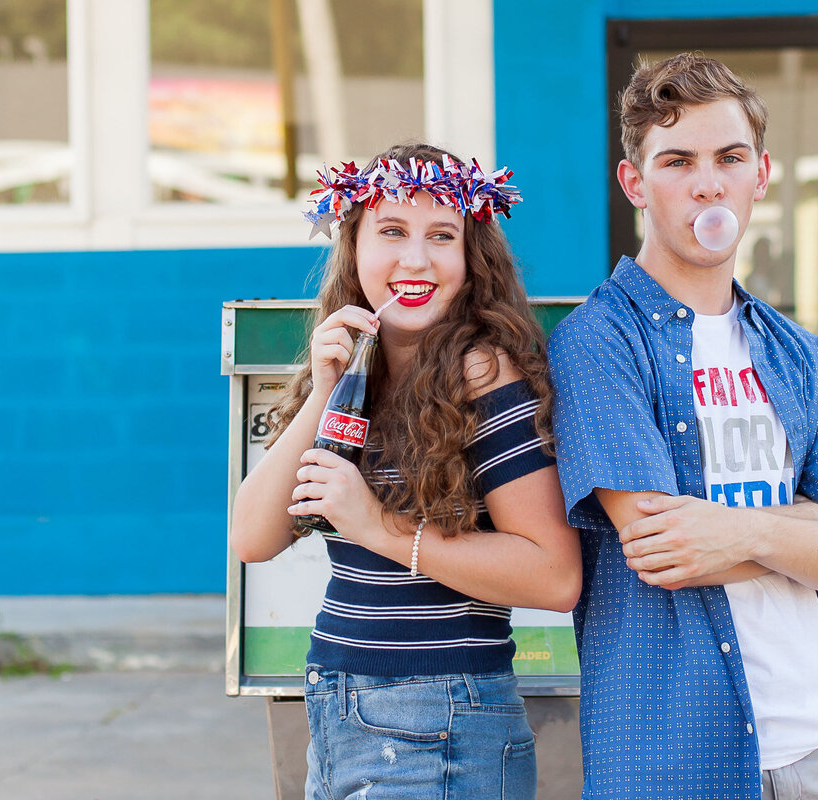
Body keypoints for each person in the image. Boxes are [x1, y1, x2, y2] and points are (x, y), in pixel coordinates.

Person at [547, 54, 818, 800]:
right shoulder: (599, 341)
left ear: (761, 175)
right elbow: (662, 548)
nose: (708, 183)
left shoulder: (800, 355)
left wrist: (739, 533)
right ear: (635, 183)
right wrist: (809, 527)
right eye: (678, 161)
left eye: (729, 158)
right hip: (674, 756)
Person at [231, 142, 581, 800]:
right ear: (353, 246)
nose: (415, 258)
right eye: (392, 231)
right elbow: (252, 537)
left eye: (441, 236)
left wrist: (379, 527)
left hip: (439, 722)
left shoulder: (482, 372)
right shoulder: (355, 372)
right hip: (340, 711)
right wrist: (323, 390)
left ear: (469, 260)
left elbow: (554, 574)